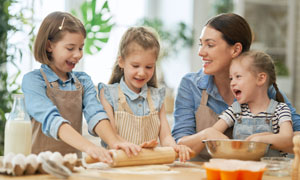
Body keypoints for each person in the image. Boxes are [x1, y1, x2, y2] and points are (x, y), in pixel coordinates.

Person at [172, 13, 300, 161]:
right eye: (201, 44)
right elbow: (180, 146)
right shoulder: (190, 85)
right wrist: (206, 135)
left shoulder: (262, 88)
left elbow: (296, 135)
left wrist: (266, 139)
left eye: (210, 45)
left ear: (235, 49)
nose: (201, 52)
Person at [22, 11, 140, 164]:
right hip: (38, 168)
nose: (78, 55)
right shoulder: (33, 81)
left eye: (80, 48)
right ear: (49, 46)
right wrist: (89, 147)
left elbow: (95, 114)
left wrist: (114, 141)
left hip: (73, 166)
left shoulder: (83, 81)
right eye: (70, 48)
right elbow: (51, 119)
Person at [98, 26, 193, 162]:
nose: (142, 72)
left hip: (149, 168)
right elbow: (111, 136)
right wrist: (137, 149)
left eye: (149, 67)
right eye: (135, 66)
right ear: (121, 62)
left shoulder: (157, 97)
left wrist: (176, 147)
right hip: (117, 168)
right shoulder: (108, 94)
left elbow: (166, 137)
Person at [202, 50, 293, 156]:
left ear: (260, 79)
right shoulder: (235, 110)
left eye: (238, 76)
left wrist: (260, 140)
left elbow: (287, 139)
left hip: (271, 170)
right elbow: (212, 132)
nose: (232, 83)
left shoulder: (280, 109)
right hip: (242, 168)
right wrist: (228, 143)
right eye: (231, 78)